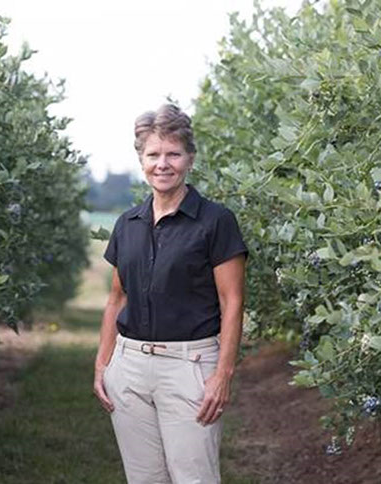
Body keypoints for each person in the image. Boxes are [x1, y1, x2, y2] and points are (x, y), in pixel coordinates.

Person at [93, 104, 248, 484]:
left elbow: (233, 302)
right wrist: (103, 365)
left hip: (190, 366)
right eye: (153, 155)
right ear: (141, 160)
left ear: (190, 159)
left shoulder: (216, 221)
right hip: (128, 369)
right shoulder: (127, 224)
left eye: (173, 154)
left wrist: (223, 373)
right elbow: (117, 298)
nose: (163, 164)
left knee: (193, 478)